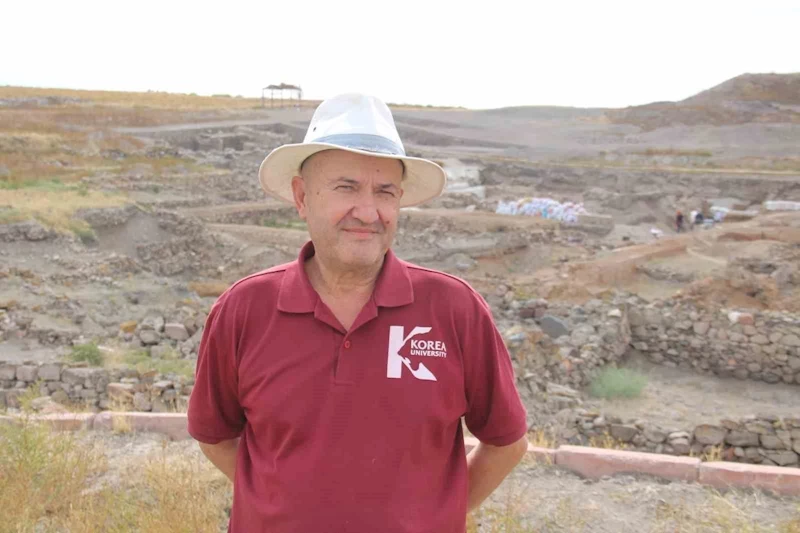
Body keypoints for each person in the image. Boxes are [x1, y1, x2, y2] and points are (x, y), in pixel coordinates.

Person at [187, 93, 529, 533]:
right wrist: (272, 503)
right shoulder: (243, 309)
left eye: (384, 192)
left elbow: (506, 443)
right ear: (302, 197)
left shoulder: (455, 309)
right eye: (346, 187)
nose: (368, 212)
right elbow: (215, 435)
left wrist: (434, 516)